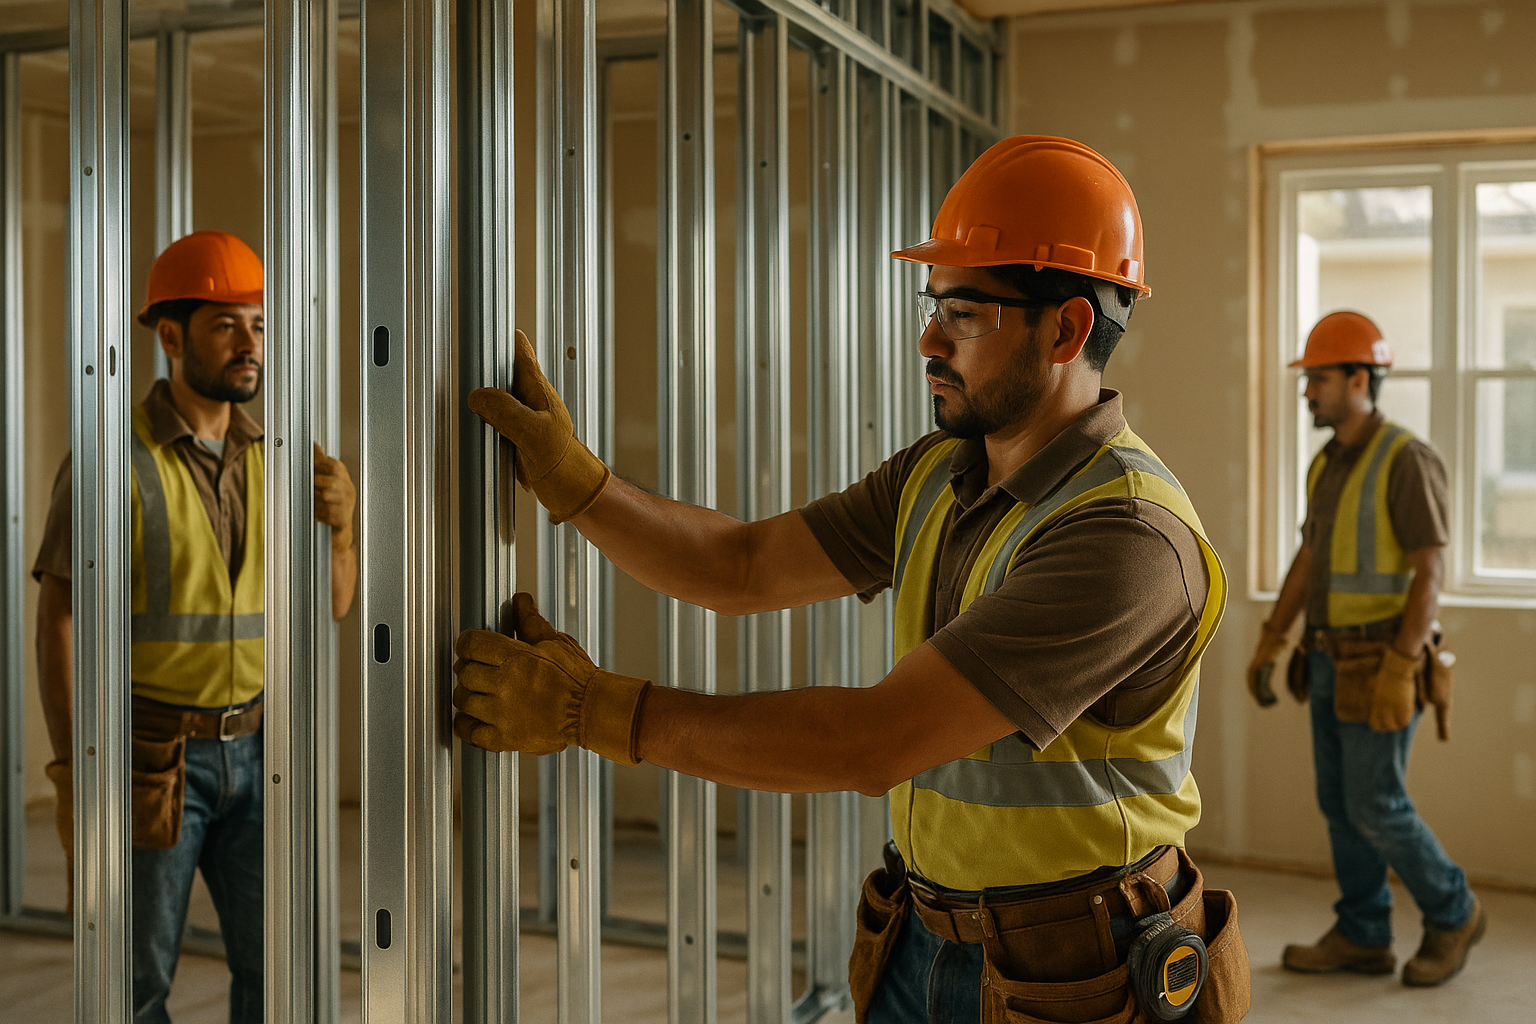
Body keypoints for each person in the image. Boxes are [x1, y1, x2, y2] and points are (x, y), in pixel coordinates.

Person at [452, 136, 1249, 1023]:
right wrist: (579, 482)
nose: (928, 339)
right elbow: (742, 566)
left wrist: (591, 710)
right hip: (923, 931)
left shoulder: (1127, 537)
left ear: (1064, 328)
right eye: (932, 305)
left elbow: (874, 742)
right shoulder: (939, 474)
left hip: (1076, 972)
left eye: (966, 314)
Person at [33, 230, 358, 1023]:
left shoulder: (277, 458)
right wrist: (79, 769)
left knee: (275, 971)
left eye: (255, 324)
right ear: (171, 337)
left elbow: (336, 605)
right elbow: (61, 621)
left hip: (258, 752)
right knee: (133, 985)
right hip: (152, 756)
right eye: (225, 325)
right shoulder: (111, 459)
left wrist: (345, 531)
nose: (250, 346)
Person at [1248, 310, 1481, 987]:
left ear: (1360, 379)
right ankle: (1363, 932)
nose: (1307, 392)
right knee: (1340, 804)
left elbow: (1430, 570)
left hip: (1379, 661)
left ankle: (1454, 910)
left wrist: (1403, 666)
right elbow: (1309, 555)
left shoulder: (1405, 458)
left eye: (1317, 379)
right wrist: (1271, 638)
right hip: (1325, 658)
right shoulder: (1328, 462)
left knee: (1377, 804)